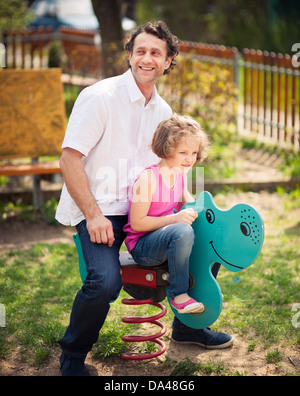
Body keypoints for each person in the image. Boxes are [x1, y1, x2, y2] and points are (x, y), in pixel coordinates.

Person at [55, 21, 233, 377]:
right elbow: (68, 159)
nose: (147, 58)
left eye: (156, 53)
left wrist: (189, 205)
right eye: (141, 51)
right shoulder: (99, 97)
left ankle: (187, 327)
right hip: (100, 209)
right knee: (104, 282)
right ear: (130, 55)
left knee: (205, 242)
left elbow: (170, 168)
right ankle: (73, 355)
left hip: (147, 211)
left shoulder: (164, 112)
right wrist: (92, 215)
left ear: (168, 61)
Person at [124, 114, 209, 314]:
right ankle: (179, 295)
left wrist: (210, 214)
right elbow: (137, 223)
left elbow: (191, 205)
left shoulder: (179, 175)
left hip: (166, 239)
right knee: (182, 230)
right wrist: (175, 219)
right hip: (143, 247)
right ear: (166, 149)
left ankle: (205, 288)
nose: (190, 159)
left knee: (206, 232)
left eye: (194, 152)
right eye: (183, 152)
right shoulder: (148, 179)